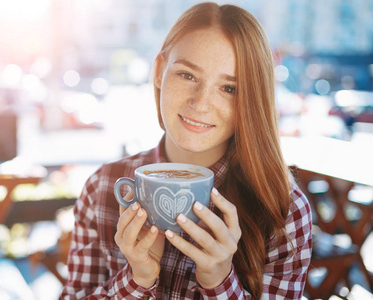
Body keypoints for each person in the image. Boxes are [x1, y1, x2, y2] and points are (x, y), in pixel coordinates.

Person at [61, 2, 312, 299]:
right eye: (187, 75)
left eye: (229, 89)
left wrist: (219, 281)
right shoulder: (103, 187)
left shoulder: (283, 210)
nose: (201, 103)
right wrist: (137, 280)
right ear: (158, 71)